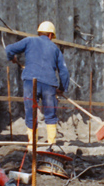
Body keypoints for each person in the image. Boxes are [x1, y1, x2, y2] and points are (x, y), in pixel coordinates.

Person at [5, 21, 69, 149]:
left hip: (30, 82)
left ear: (39, 32)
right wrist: (62, 88)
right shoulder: (55, 49)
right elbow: (64, 71)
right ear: (51, 35)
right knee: (50, 114)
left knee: (30, 112)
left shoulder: (29, 41)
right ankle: (51, 143)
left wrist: (12, 57)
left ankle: (31, 145)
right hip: (49, 85)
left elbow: (9, 49)